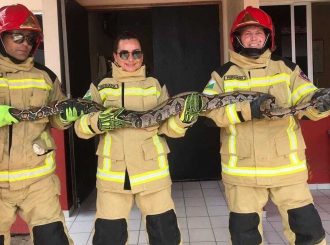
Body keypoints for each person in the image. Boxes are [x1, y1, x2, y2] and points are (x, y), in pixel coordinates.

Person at [201, 6, 330, 245]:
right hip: (242, 172)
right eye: (247, 33)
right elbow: (208, 112)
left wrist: (321, 104)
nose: (253, 37)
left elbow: (307, 100)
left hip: (286, 170)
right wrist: (246, 110)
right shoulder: (222, 75)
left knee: (308, 233)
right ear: (237, 38)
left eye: (259, 33)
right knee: (244, 236)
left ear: (268, 37)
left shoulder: (287, 69)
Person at [74, 31, 201, 245]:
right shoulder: (100, 86)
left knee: (165, 236)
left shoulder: (155, 84)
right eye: (124, 54)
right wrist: (96, 122)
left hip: (153, 174)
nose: (130, 59)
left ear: (142, 56)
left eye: (136, 53)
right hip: (113, 176)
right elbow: (79, 126)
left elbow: (167, 128)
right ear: (114, 56)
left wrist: (183, 121)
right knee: (108, 238)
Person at [0, 4, 82, 245]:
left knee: (54, 240)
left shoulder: (46, 76)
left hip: (39, 182)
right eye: (17, 36)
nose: (24, 43)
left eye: (30, 37)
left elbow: (57, 118)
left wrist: (67, 116)